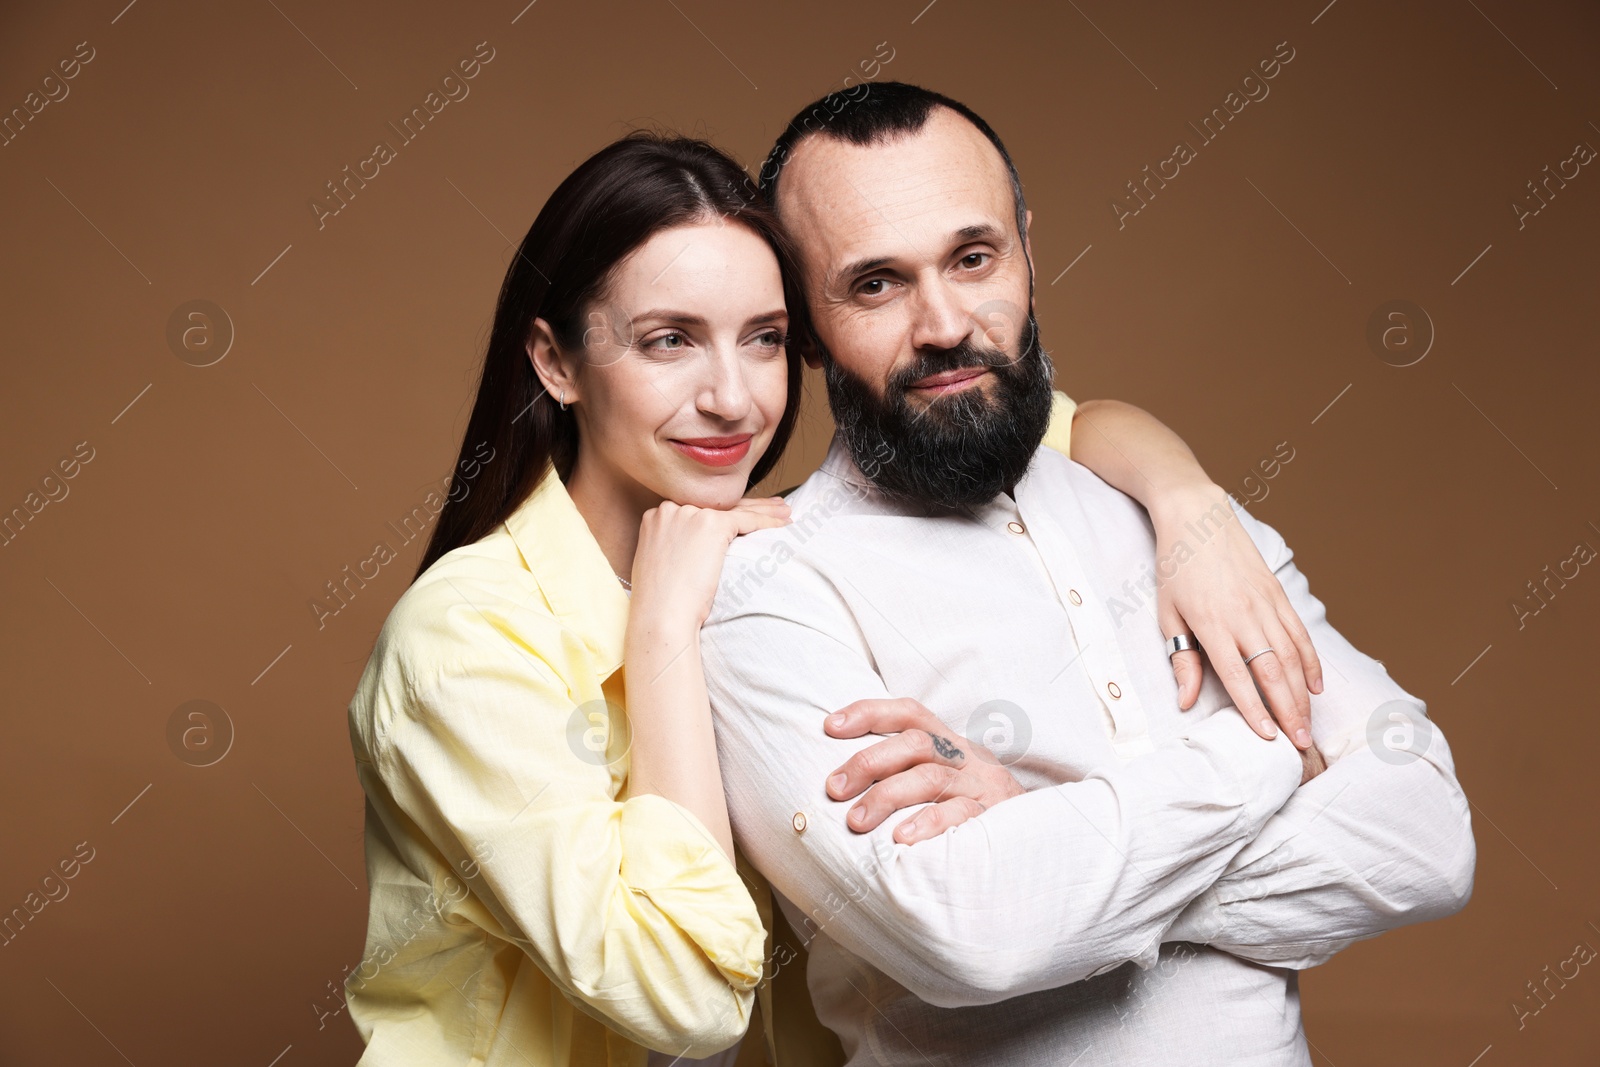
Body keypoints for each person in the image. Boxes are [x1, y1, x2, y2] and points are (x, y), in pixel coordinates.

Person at [341, 130, 1350, 1065]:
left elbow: (1065, 431)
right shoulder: (469, 640)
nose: (732, 398)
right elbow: (687, 994)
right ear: (555, 361)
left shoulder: (772, 539)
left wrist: (1188, 509)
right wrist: (660, 630)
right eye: (667, 341)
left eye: (766, 338)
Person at [699, 83, 1477, 1065]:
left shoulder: (1183, 525)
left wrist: (1038, 835)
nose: (943, 323)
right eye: (875, 284)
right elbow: (964, 934)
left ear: (1027, 247)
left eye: (973, 258)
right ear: (803, 326)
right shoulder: (764, 584)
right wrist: (1279, 755)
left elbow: (1427, 838)